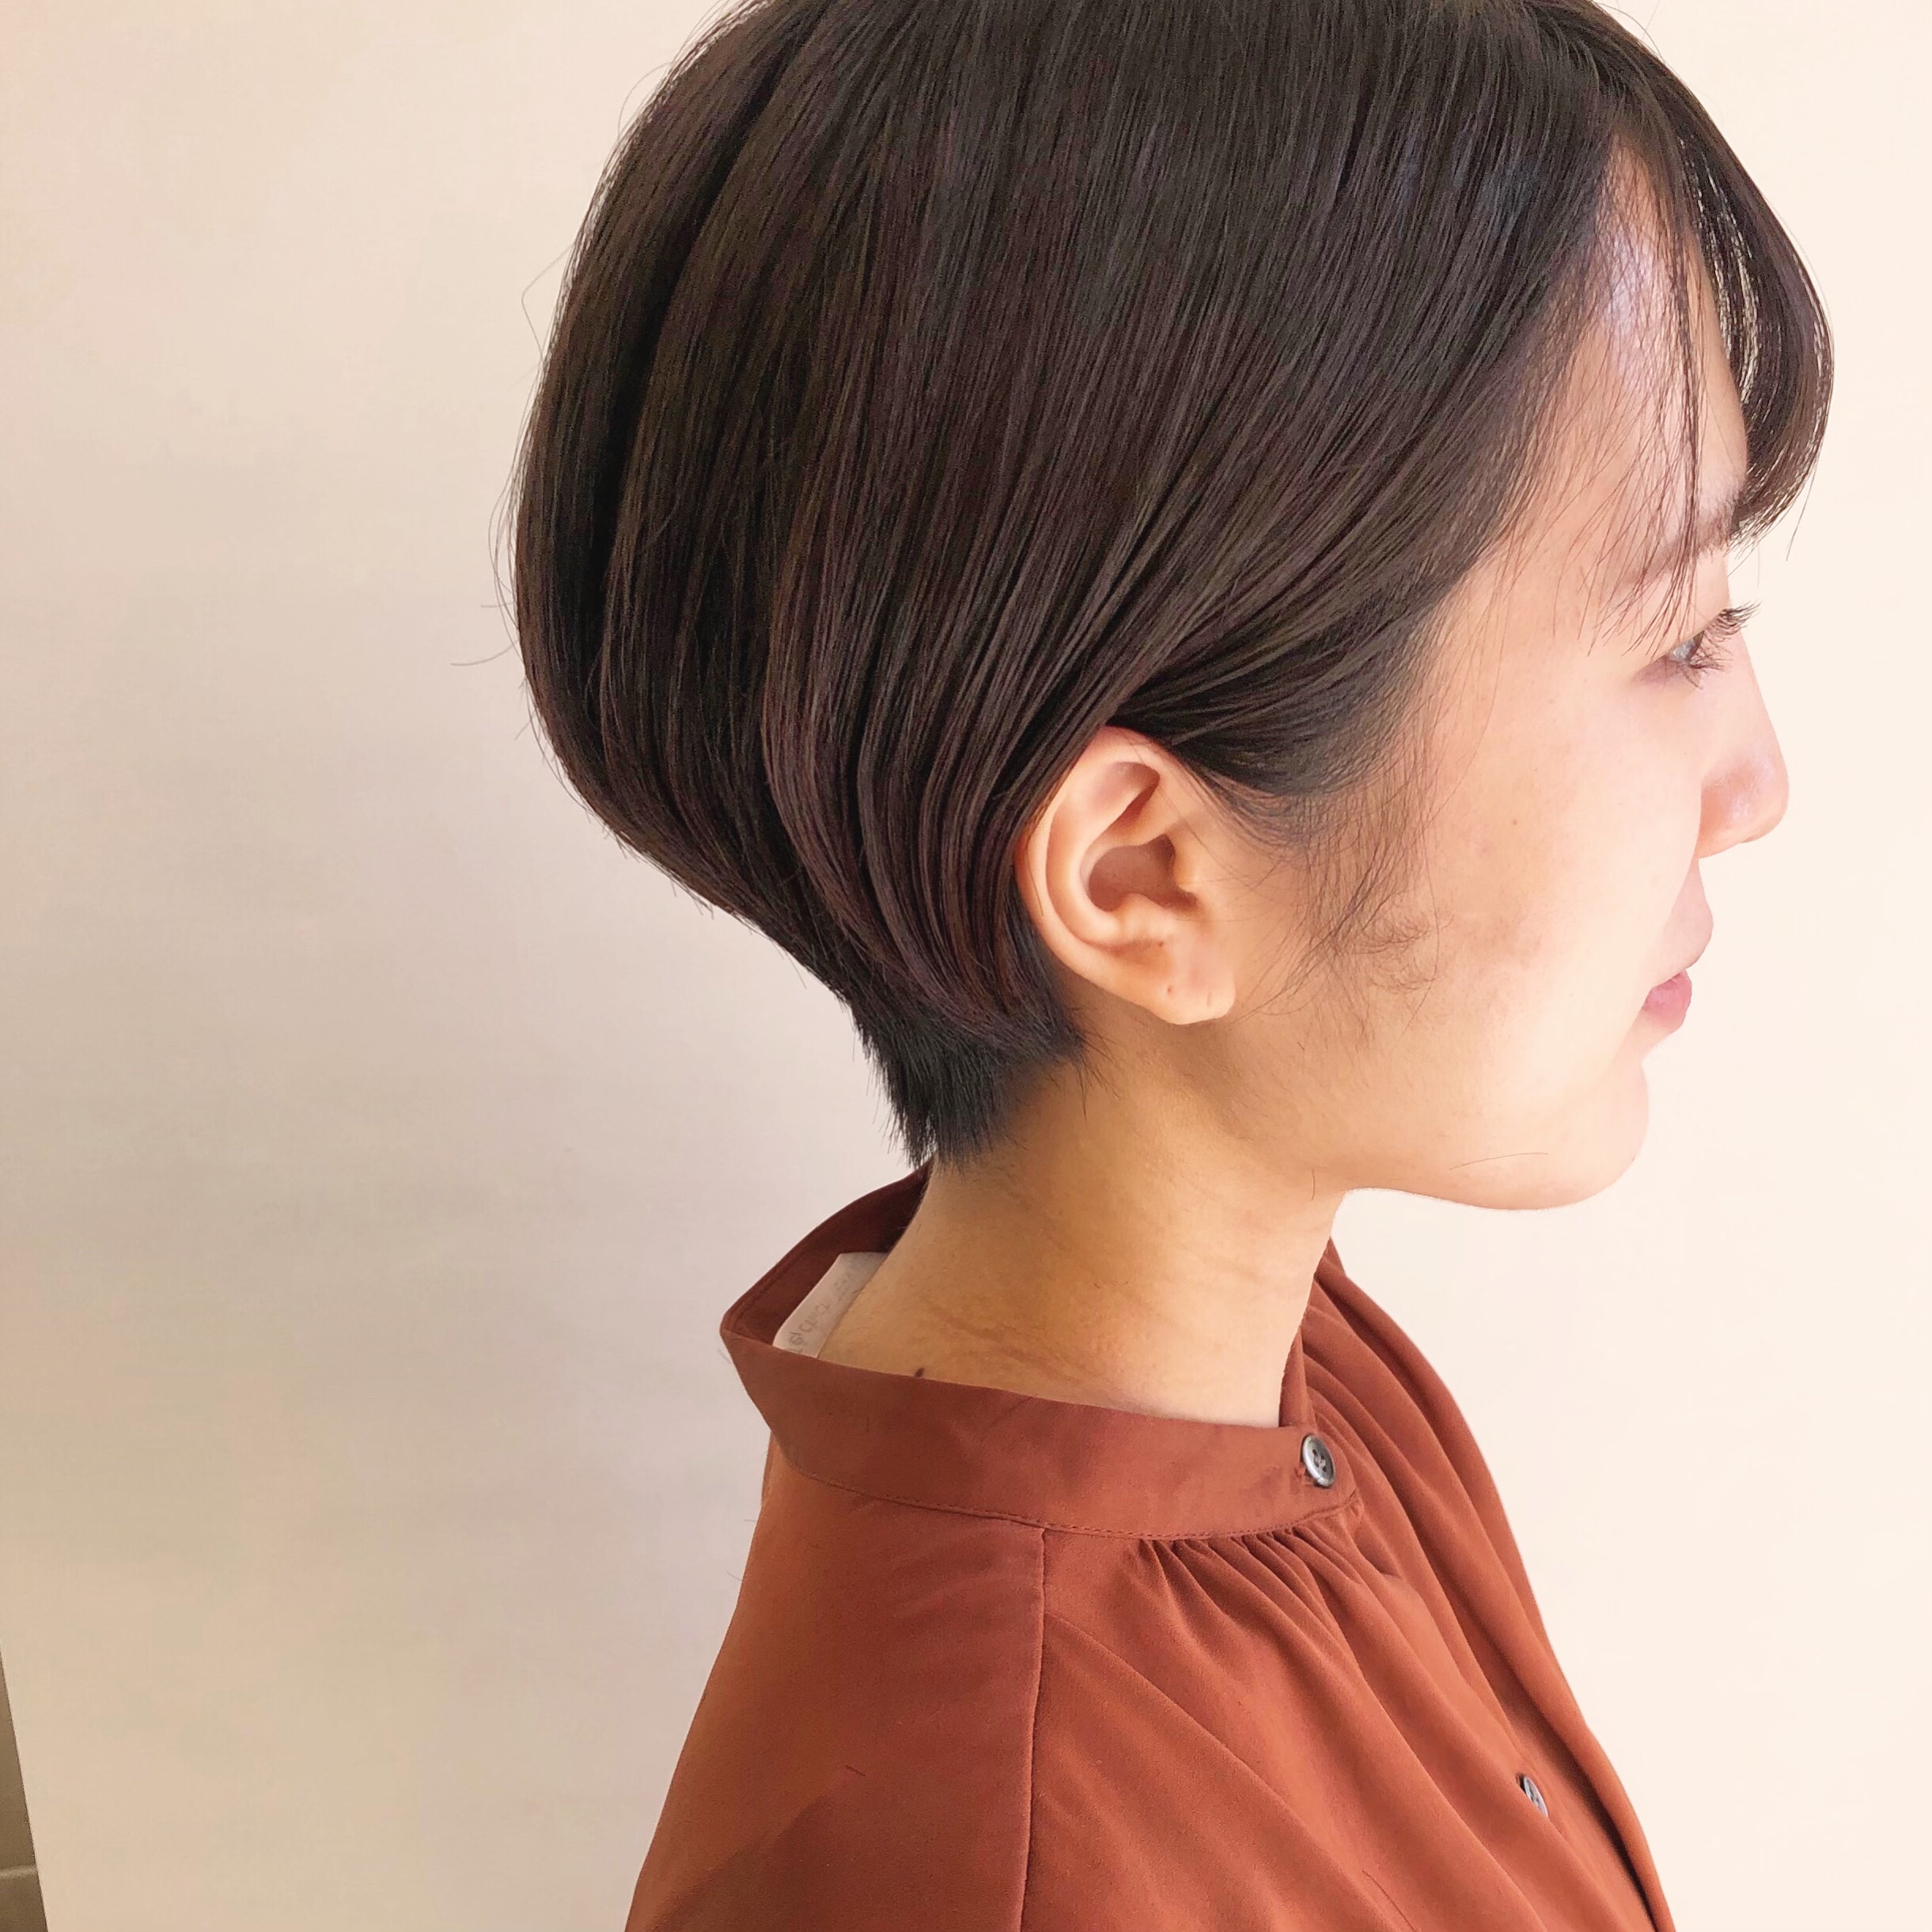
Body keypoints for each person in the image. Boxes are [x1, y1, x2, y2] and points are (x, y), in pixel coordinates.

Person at [508, 0, 1832, 1924]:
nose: (1758, 784)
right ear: (1144, 877)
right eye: (1675, 639)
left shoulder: (1285, 1366)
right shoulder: (988, 1869)